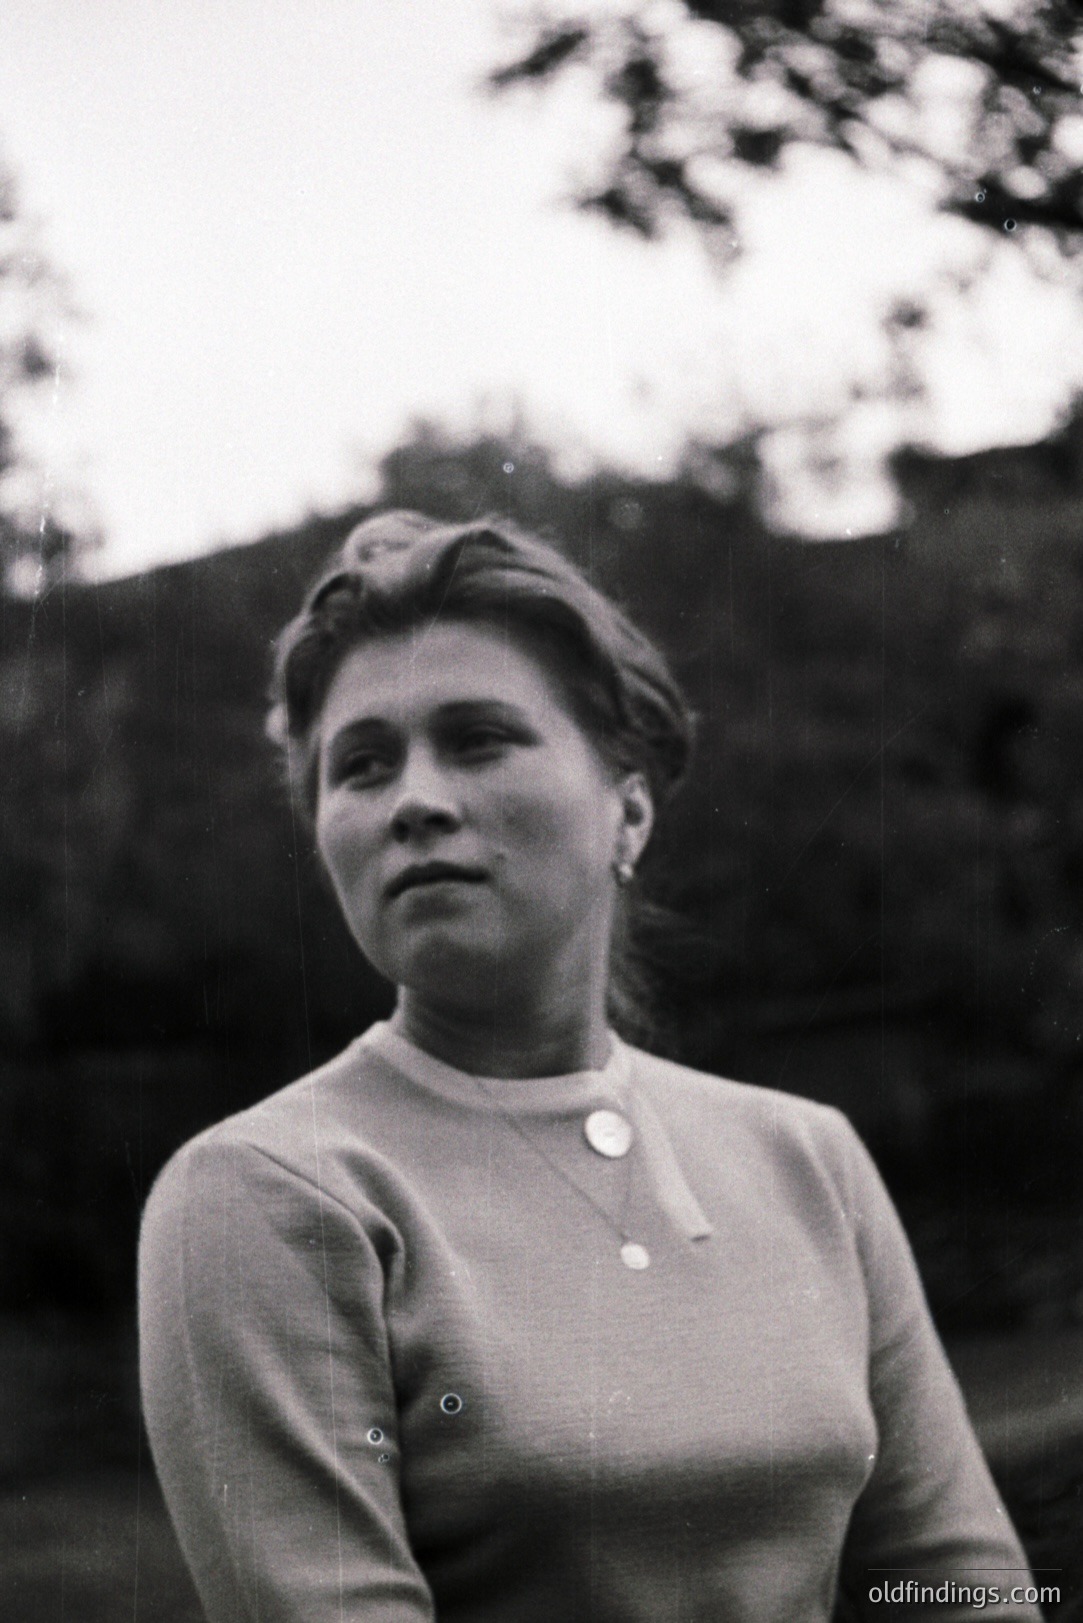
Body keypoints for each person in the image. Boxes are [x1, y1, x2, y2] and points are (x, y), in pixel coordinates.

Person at [138, 510, 1042, 1623]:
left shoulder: (808, 1157)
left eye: (479, 739)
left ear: (630, 813)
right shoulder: (267, 1193)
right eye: (361, 765)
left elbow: (958, 1582)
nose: (414, 800)